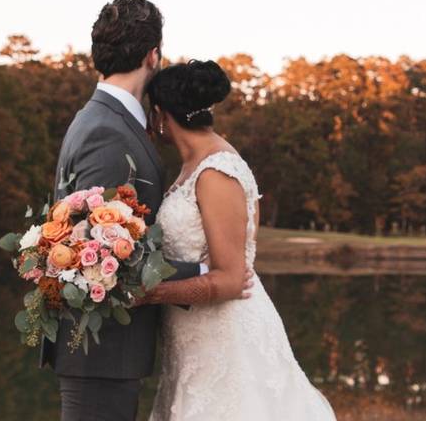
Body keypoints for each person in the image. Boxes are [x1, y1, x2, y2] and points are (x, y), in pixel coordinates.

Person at [42, 0, 251, 421]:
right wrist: (206, 271)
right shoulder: (109, 132)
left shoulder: (105, 120)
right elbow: (99, 259)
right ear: (153, 54)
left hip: (109, 355)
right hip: (101, 354)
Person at [141, 59, 336, 421]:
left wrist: (150, 294)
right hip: (193, 339)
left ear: (160, 115)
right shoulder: (194, 165)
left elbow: (231, 279)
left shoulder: (217, 171)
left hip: (225, 338)